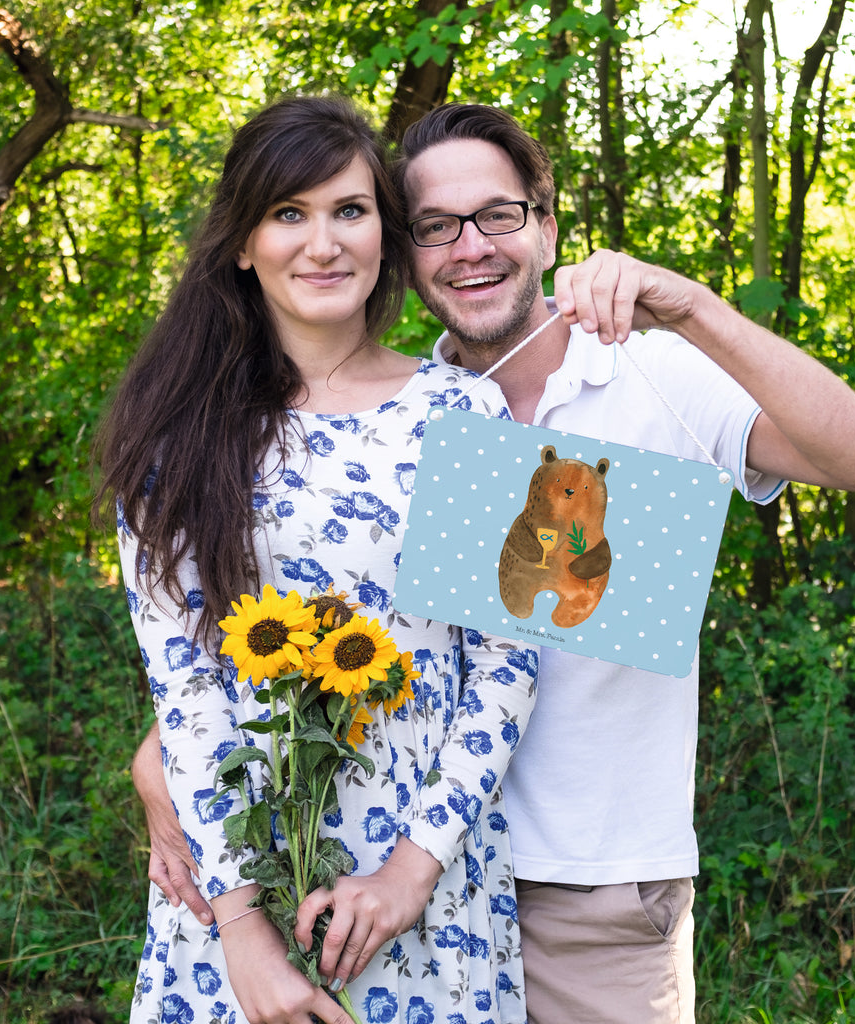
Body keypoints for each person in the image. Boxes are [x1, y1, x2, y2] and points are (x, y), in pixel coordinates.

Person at [134, 102, 855, 1023]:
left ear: (545, 225)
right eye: (435, 227)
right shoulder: (394, 415)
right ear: (407, 250)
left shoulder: (640, 373)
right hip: (370, 876)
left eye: (497, 215)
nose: (470, 247)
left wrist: (693, 307)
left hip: (587, 886)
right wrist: (165, 767)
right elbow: (290, 629)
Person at [96, 96, 542, 1024]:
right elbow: (186, 691)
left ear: (385, 230)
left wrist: (411, 874)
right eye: (288, 214)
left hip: (425, 886)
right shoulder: (177, 439)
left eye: (350, 210)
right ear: (241, 244)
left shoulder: (466, 415)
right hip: (236, 884)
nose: (324, 243)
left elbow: (507, 664)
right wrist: (244, 937)